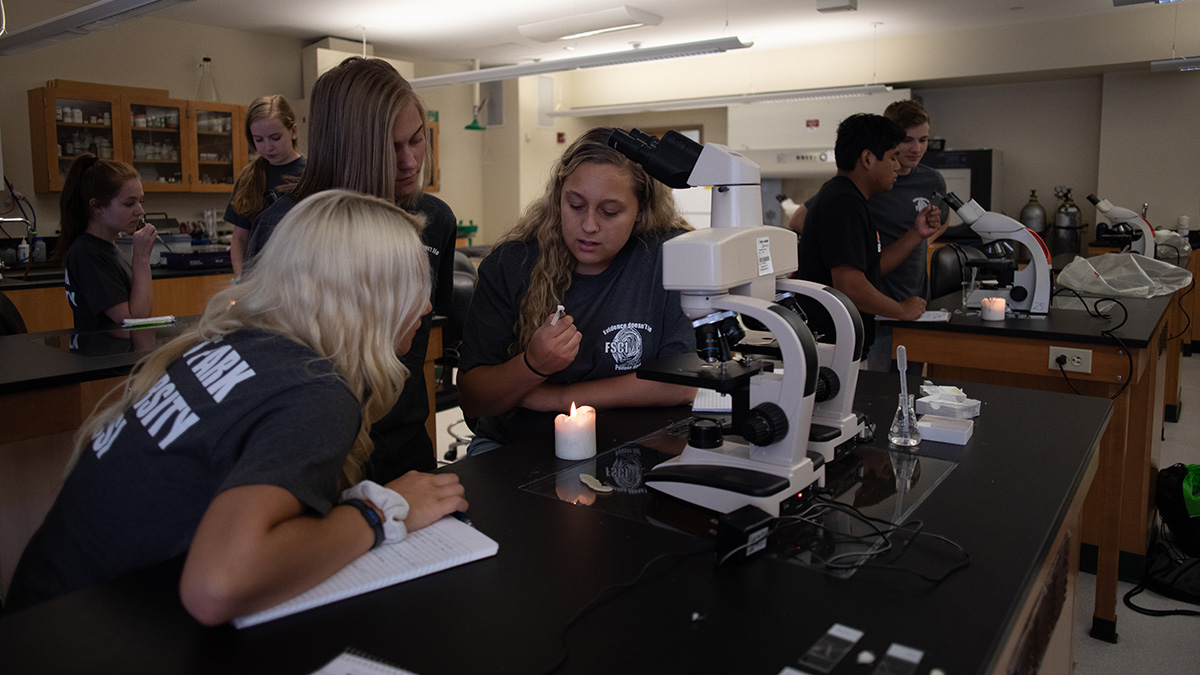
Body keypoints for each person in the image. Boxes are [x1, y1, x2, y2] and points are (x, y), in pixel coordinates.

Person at [7, 190, 469, 626]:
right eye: (412, 284)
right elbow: (216, 587)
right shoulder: (316, 389)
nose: (427, 304)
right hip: (87, 640)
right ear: (368, 297)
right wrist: (382, 510)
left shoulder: (239, 345)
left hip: (43, 615)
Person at [245, 57, 458, 484]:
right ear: (347, 147)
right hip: (322, 455)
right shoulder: (288, 226)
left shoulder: (436, 219)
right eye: (389, 148)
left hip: (405, 448)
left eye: (416, 140)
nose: (410, 162)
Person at [457, 128, 697, 452]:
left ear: (640, 211)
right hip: (519, 445)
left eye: (609, 212)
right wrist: (532, 365)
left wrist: (556, 398)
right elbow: (474, 399)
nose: (589, 226)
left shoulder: (668, 257)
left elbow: (682, 383)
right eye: (575, 205)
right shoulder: (511, 266)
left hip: (634, 441)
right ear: (559, 197)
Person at [790, 101, 946, 371]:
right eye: (893, 157)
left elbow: (870, 267)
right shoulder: (843, 204)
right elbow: (851, 286)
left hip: (847, 341)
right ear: (867, 159)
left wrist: (915, 234)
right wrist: (901, 310)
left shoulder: (853, 200)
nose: (897, 166)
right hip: (834, 344)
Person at [53, 154, 156, 329]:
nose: (140, 210)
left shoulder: (108, 248)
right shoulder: (86, 254)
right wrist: (141, 258)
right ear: (97, 207)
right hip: (102, 354)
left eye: (141, 201)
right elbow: (135, 321)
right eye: (129, 203)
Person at [225, 95, 305, 275]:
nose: (267, 147)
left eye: (275, 138)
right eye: (259, 140)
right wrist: (240, 281)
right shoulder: (249, 178)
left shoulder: (312, 175)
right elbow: (240, 239)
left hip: (302, 279)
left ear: (293, 131)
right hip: (259, 281)